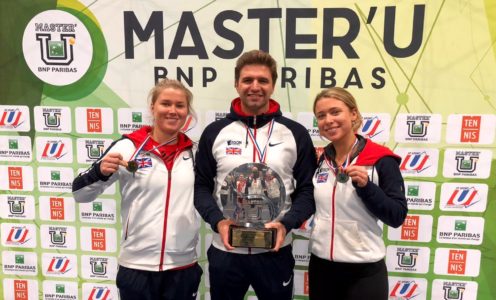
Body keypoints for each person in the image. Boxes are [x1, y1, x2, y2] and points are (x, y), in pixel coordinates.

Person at [194, 49, 317, 300]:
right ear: (237, 84)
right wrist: (218, 221)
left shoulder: (295, 133)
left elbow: (308, 190)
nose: (255, 86)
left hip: (275, 251)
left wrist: (286, 224)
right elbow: (201, 187)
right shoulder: (215, 132)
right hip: (226, 252)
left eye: (263, 80)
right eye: (248, 80)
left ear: (273, 86)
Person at [72, 79, 202, 300]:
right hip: (136, 266)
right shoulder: (128, 146)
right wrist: (99, 172)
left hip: (183, 265)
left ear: (186, 111)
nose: (173, 111)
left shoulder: (196, 152)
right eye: (165, 103)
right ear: (153, 107)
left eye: (179, 105)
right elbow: (80, 194)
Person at [309, 87, 408, 300]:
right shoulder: (322, 160)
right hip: (321, 266)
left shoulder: (381, 160)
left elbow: (397, 216)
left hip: (364, 271)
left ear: (353, 114)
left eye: (335, 112)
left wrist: (367, 188)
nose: (328, 120)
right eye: (321, 115)